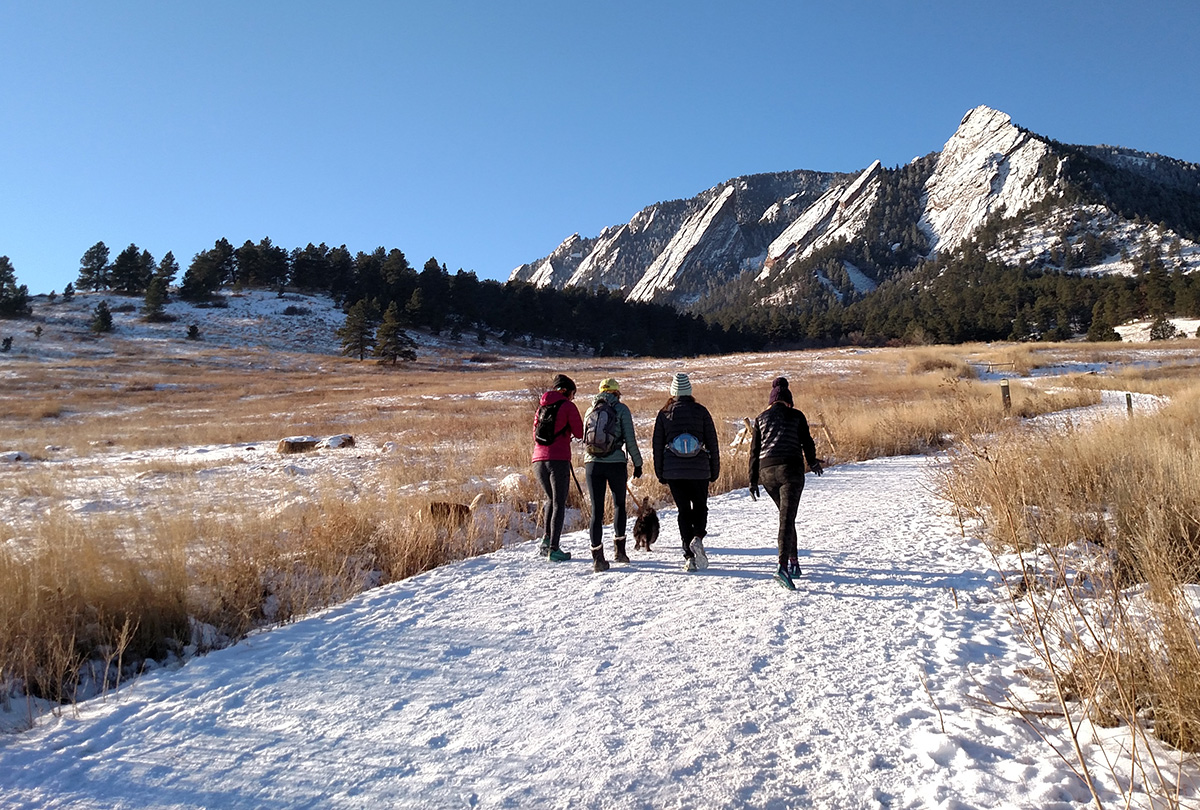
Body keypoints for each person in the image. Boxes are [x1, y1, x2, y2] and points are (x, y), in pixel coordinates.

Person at [748, 376, 823, 590]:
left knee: (786, 516)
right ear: (789, 401)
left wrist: (752, 481)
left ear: (771, 401)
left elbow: (753, 452)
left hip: (767, 473)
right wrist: (813, 463)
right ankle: (782, 567)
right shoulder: (797, 416)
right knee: (786, 519)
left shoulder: (760, 418)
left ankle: (794, 564)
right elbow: (807, 442)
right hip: (791, 470)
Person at [652, 372, 720, 572]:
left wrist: (660, 472)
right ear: (689, 391)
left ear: (673, 392)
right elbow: (713, 444)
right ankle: (698, 536)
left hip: (674, 472)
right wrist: (714, 471)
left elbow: (657, 447)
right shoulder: (701, 411)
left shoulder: (664, 414)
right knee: (700, 507)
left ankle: (689, 557)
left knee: (683, 511)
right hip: (699, 470)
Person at [582, 378, 644, 573]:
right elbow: (630, 440)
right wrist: (638, 463)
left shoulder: (589, 410)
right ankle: (620, 552)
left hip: (592, 463)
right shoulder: (622, 410)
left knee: (596, 510)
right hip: (616, 462)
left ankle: (597, 558)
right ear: (617, 392)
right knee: (619, 505)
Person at [532, 373, 583, 562]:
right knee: (559, 502)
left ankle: (546, 541)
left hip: (537, 460)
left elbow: (535, 433)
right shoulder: (568, 406)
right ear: (568, 391)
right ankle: (554, 548)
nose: (573, 397)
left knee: (550, 500)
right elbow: (579, 432)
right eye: (573, 393)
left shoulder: (541, 407)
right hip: (558, 459)